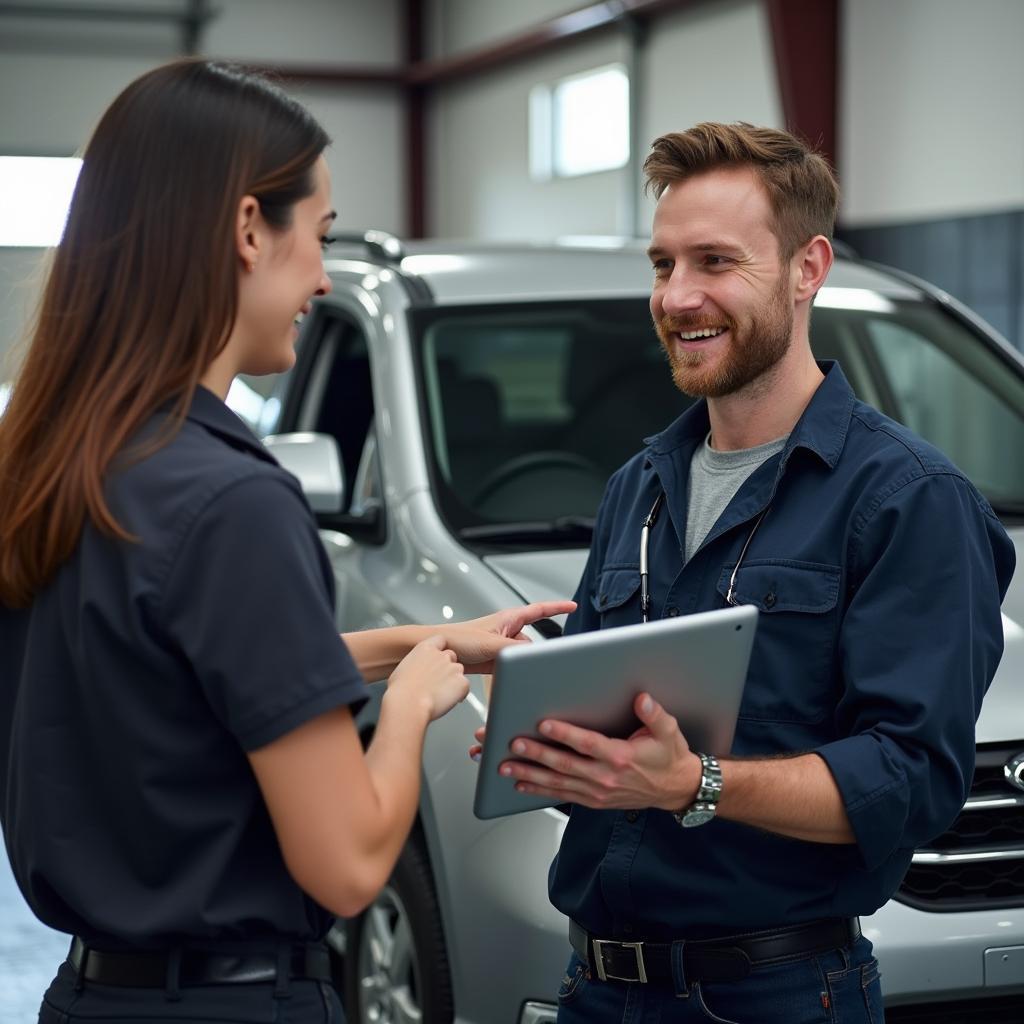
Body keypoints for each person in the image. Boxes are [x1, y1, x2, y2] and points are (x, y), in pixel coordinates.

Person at [0, 59, 573, 1023]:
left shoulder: (59, 466)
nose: (320, 273)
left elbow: (174, 684)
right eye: (320, 234)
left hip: (92, 994)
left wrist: (421, 644)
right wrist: (414, 705)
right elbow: (348, 865)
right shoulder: (233, 501)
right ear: (247, 228)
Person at [475, 123, 1016, 1021]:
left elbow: (911, 780)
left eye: (716, 262)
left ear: (809, 269)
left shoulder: (908, 501)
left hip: (777, 995)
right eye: (662, 264)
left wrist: (695, 784)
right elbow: (617, 720)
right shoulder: (638, 489)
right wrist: (549, 741)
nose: (677, 296)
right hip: (597, 990)